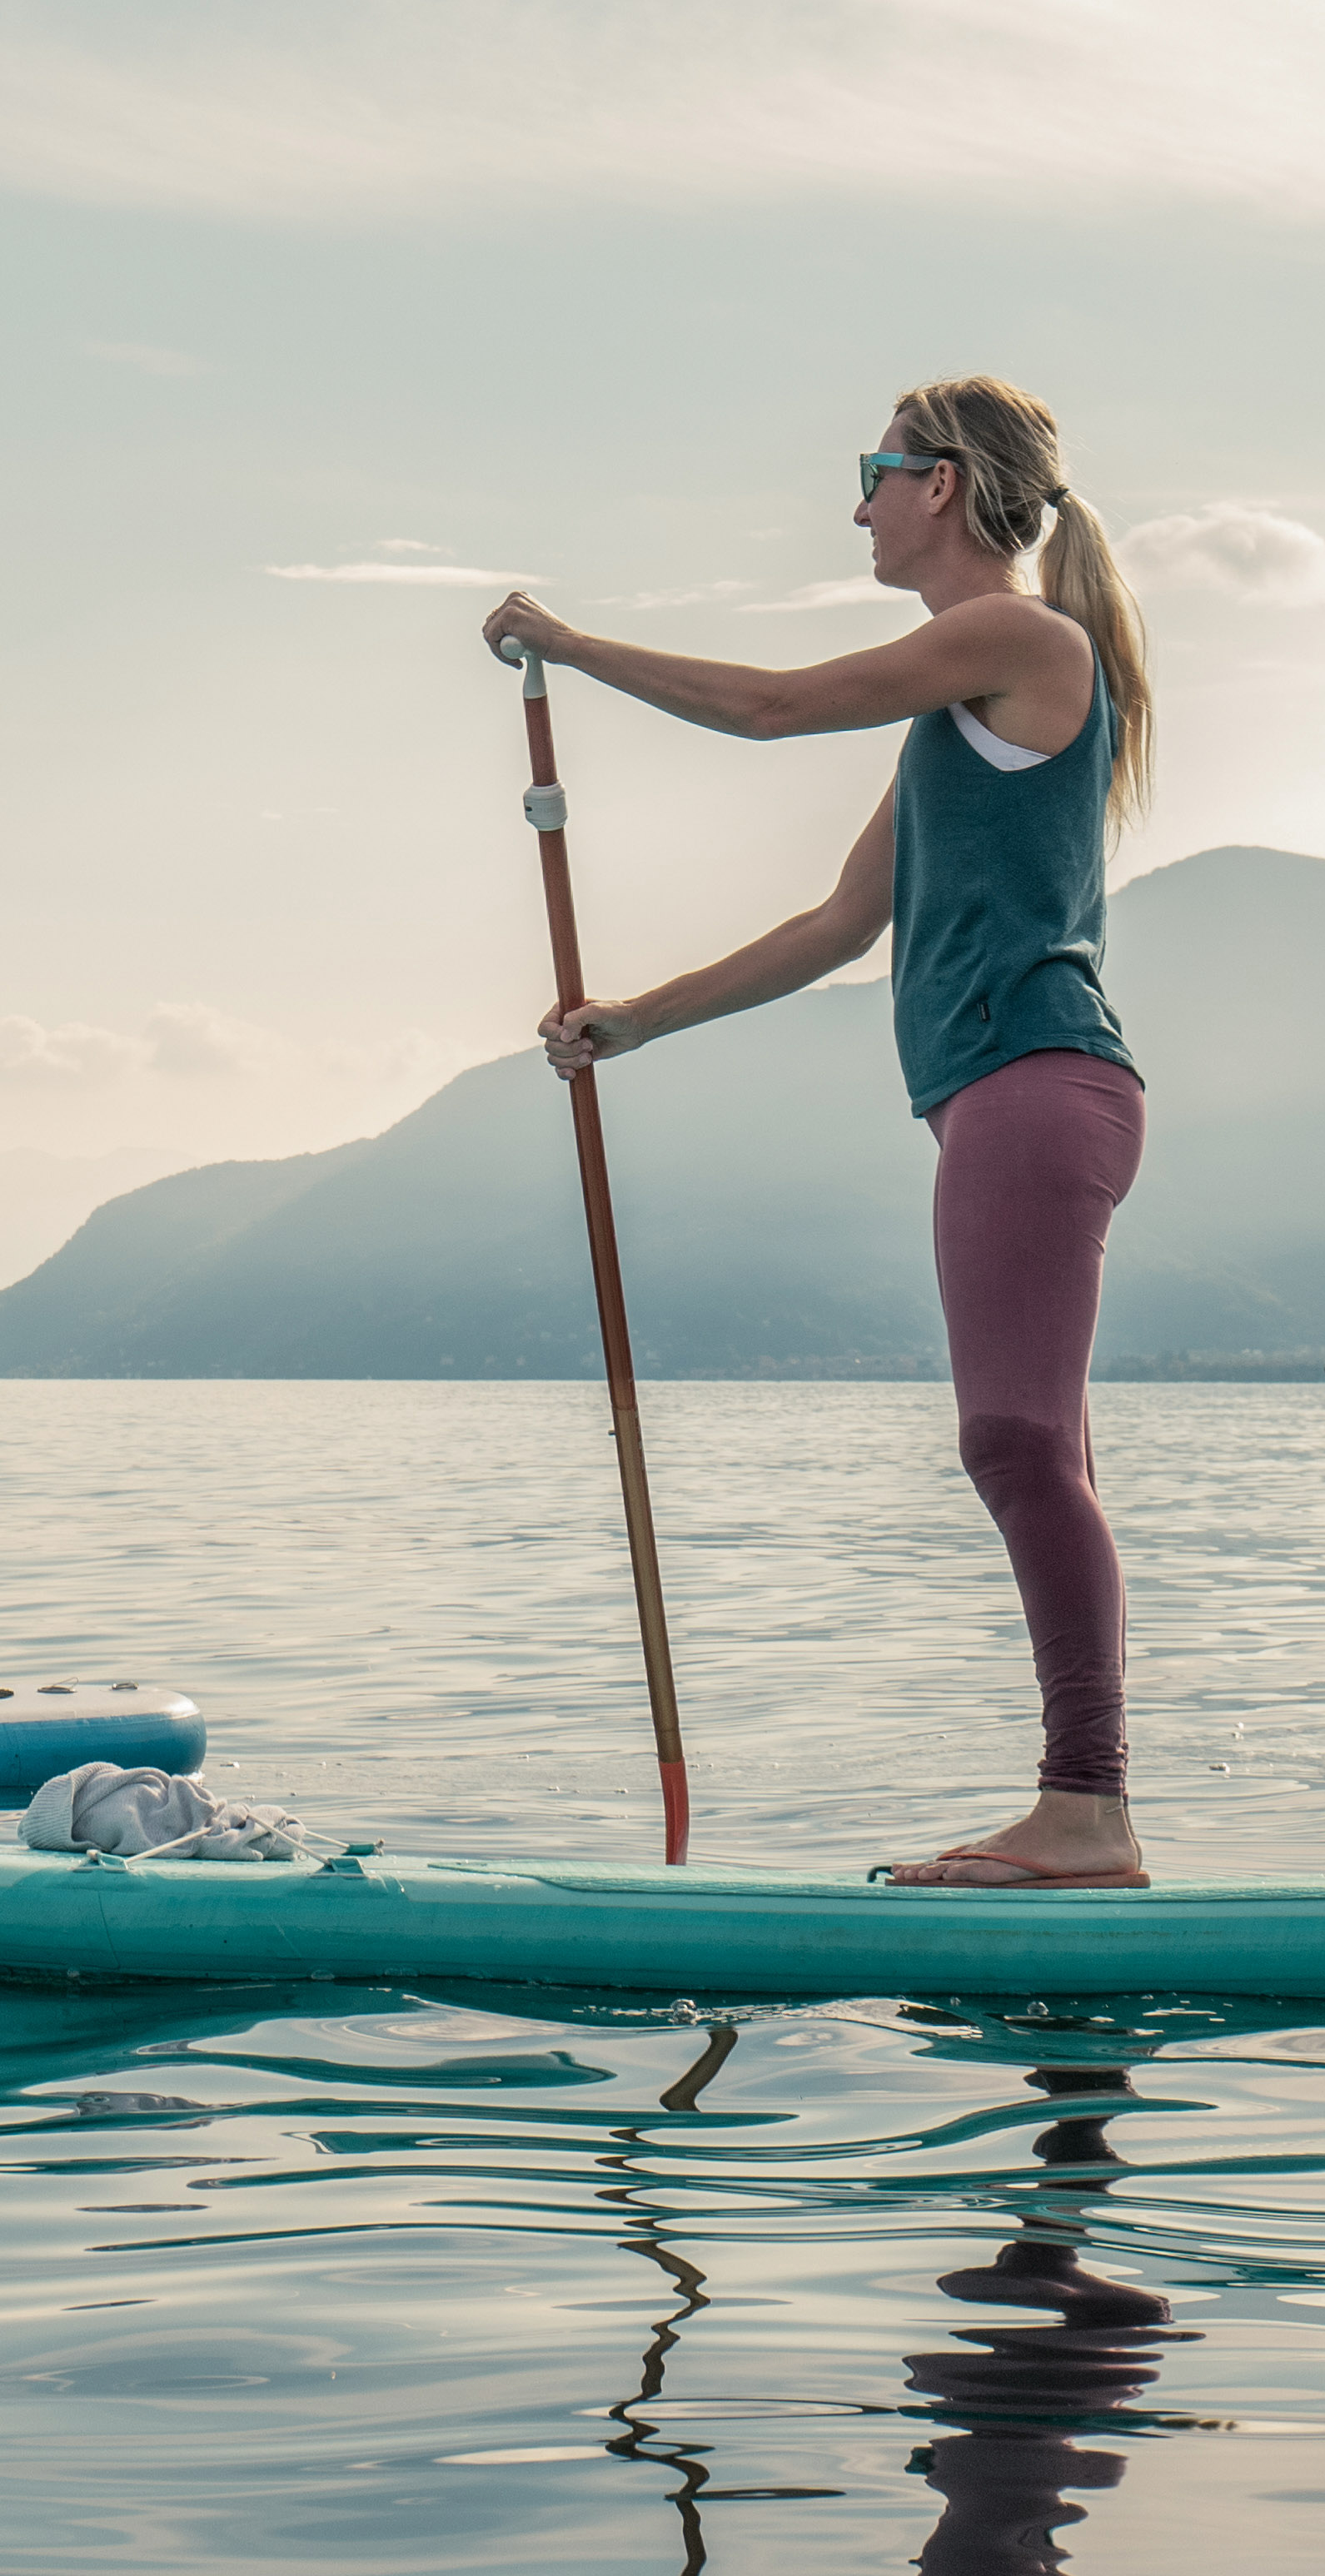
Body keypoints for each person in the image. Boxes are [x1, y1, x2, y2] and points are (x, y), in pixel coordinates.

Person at [480, 379, 1155, 1890]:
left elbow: (775, 707)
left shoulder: (1020, 640)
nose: (856, 503)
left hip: (1037, 1084)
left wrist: (570, 645)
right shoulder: (953, 718)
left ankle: (1088, 1814)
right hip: (1007, 1096)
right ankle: (1088, 1810)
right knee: (1039, 1450)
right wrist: (633, 1020)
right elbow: (842, 927)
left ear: (951, 485)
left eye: (875, 472)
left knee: (1017, 1442)